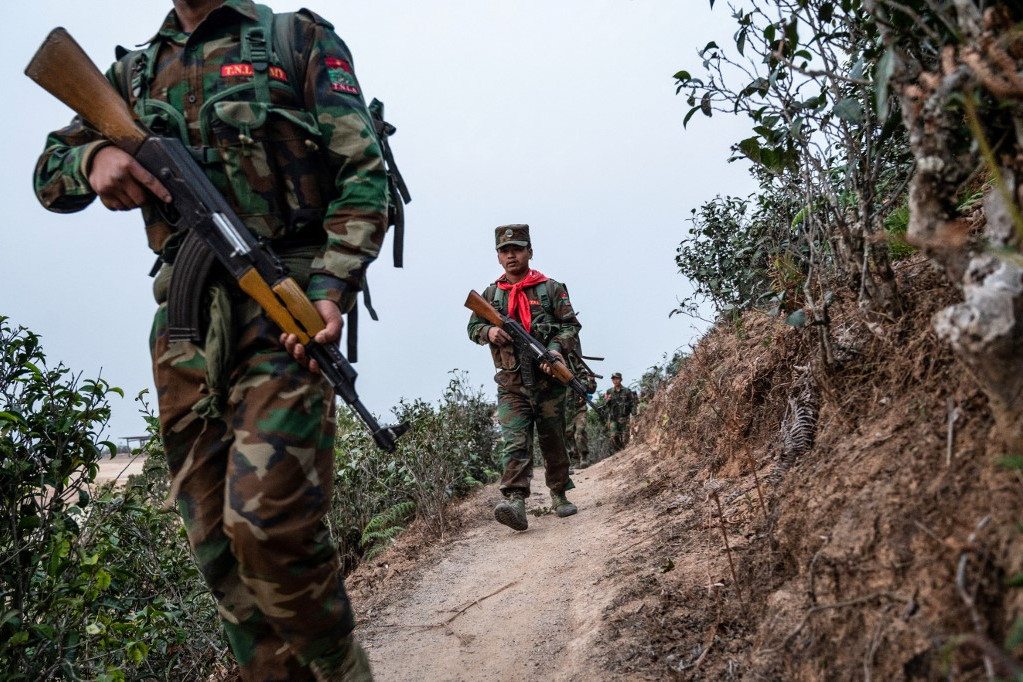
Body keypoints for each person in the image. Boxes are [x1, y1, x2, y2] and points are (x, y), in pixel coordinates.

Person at [33, 1, 388, 679]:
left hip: (283, 314)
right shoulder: (134, 72)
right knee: (216, 548)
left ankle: (342, 668)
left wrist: (331, 288)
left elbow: (363, 174)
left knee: (266, 526)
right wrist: (96, 158)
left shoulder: (293, 40)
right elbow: (49, 175)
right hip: (185, 334)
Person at [467, 224, 581, 531]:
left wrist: (555, 350)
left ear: (529, 252)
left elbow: (570, 326)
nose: (511, 255)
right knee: (514, 443)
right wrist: (488, 330)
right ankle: (515, 500)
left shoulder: (551, 289)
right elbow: (473, 328)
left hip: (549, 383)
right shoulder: (491, 296)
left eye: (517, 249)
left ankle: (558, 493)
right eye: (505, 251)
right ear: (498, 257)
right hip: (511, 385)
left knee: (553, 439)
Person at [564, 362, 597, 468]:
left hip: (580, 410)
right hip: (567, 411)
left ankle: (584, 457)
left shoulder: (580, 377)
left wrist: (591, 380)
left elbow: (591, 389)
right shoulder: (559, 375)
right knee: (568, 434)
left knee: (579, 432)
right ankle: (575, 460)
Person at [604, 372, 637, 452]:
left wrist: (634, 414)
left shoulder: (627, 391)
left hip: (624, 418)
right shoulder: (609, 391)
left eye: (617, 378)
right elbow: (605, 403)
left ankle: (625, 451)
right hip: (613, 419)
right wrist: (608, 399)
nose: (615, 381)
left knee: (625, 437)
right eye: (614, 379)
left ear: (621, 379)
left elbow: (632, 403)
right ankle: (619, 451)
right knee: (613, 436)